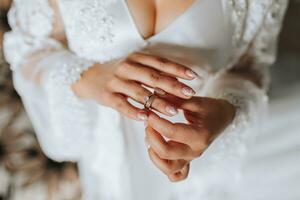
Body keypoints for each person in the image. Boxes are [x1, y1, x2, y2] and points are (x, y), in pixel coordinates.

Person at [3, 0, 288, 199]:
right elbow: (27, 47)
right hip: (108, 166)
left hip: (202, 165)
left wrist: (225, 110)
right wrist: (87, 77)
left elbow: (249, 67)